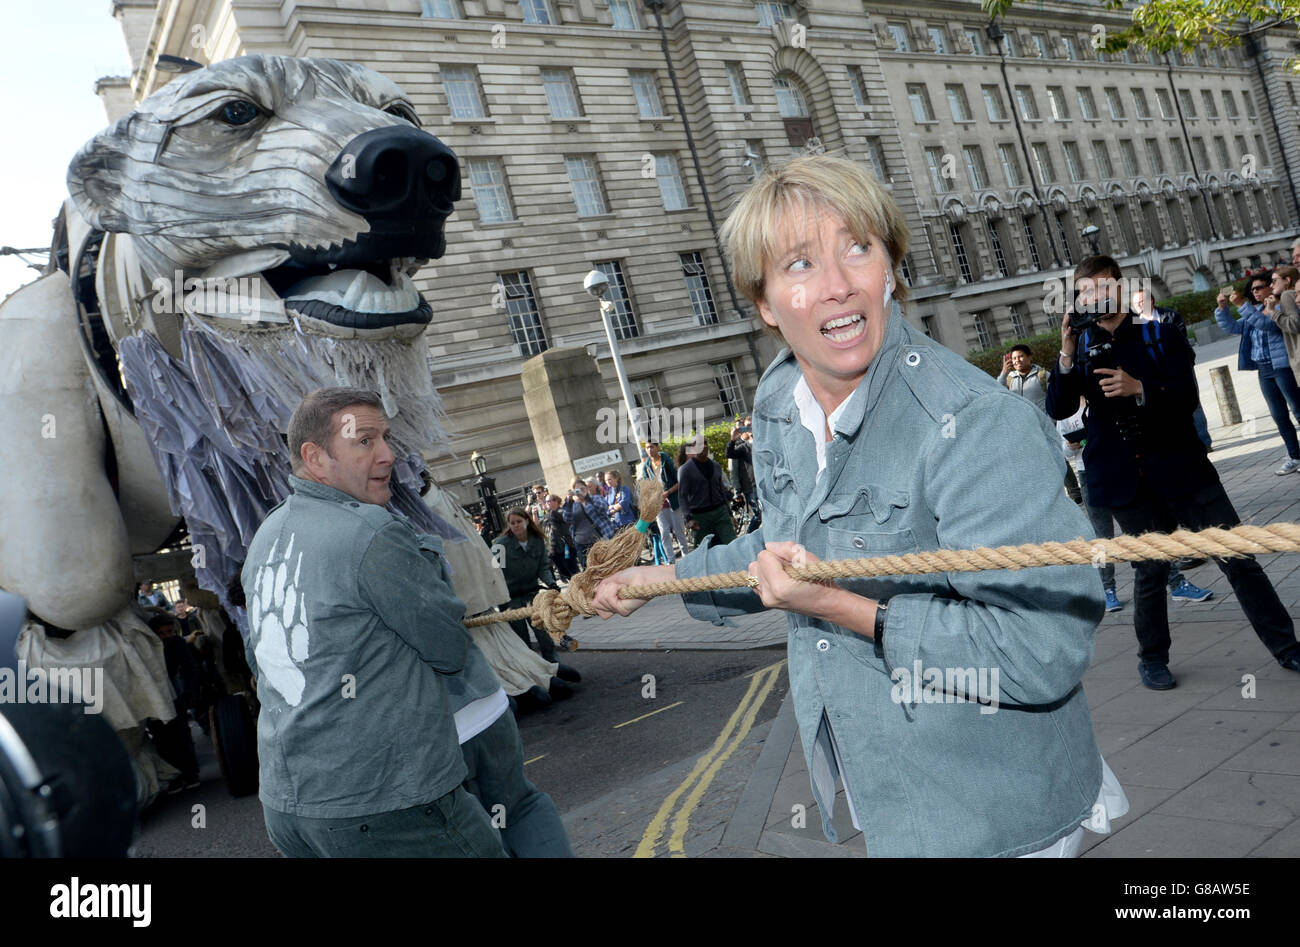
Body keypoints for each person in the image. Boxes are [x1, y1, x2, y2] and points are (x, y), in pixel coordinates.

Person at [593, 155, 1126, 857]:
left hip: (993, 810)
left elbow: (1041, 650)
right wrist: (659, 579)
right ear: (763, 302)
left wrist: (844, 606)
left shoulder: (975, 422)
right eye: (800, 264)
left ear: (891, 266)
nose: (840, 286)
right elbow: (783, 550)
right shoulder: (780, 401)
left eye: (857, 248)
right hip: (886, 790)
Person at [243, 387, 508, 857]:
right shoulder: (373, 532)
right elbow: (449, 649)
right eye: (365, 441)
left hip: (289, 806)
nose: (388, 454)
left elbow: (258, 659)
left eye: (385, 438)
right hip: (385, 804)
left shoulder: (266, 535)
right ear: (315, 457)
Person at [1048, 256, 1300, 689]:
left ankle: (1287, 647)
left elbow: (1186, 396)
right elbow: (1059, 408)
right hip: (1126, 480)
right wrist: (1067, 353)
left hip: (1183, 469)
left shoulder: (1158, 331)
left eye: (1103, 287)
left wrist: (1140, 389)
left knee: (1237, 558)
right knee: (1150, 571)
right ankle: (1152, 658)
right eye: (1085, 290)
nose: (1095, 297)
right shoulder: (1082, 345)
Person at [1214, 273, 1300, 476]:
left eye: (1260, 287)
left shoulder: (1277, 308)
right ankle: (1295, 455)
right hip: (1263, 369)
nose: (1256, 292)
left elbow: (1267, 325)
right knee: (1279, 415)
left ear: (1270, 288)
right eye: (1253, 289)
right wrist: (1222, 308)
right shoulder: (1255, 310)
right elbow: (1233, 327)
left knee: (1297, 410)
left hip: (1281, 366)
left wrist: (1242, 305)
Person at [1132, 288, 1212, 451]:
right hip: (1154, 372)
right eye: (1136, 303)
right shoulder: (1135, 323)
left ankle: (1204, 441)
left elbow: (1180, 342)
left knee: (1193, 402)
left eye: (1142, 301)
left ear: (1151, 301)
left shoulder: (1170, 316)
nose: (1139, 305)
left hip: (1179, 366)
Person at [491, 509, 565, 670]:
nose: (516, 525)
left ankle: (554, 665)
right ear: (509, 525)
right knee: (521, 638)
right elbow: (494, 574)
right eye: (512, 523)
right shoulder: (500, 546)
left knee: (543, 632)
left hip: (531, 594)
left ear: (527, 521)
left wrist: (551, 583)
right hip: (510, 598)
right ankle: (531, 669)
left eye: (519, 521)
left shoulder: (537, 541)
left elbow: (543, 567)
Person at [677, 437, 736, 548]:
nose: (703, 446)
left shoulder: (716, 466)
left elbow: (721, 491)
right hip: (700, 517)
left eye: (705, 443)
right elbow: (682, 496)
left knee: (731, 544)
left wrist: (729, 514)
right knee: (706, 550)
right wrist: (688, 518)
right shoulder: (686, 470)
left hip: (720, 512)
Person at [638, 439, 687, 563]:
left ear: (657, 447)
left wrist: (668, 492)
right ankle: (670, 560)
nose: (649, 450)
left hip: (673, 501)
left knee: (679, 530)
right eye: (647, 448)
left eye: (651, 447)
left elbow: (679, 481)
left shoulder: (666, 460)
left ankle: (686, 556)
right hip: (658, 504)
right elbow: (646, 486)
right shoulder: (647, 466)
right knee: (664, 532)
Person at [726, 420, 761, 534]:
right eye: (745, 427)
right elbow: (733, 470)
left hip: (765, 483)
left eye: (750, 426)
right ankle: (749, 536)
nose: (746, 429)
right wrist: (737, 490)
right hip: (750, 487)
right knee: (758, 514)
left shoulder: (762, 441)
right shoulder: (741, 447)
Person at [997, 344, 1049, 414]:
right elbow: (998, 392)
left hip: (1042, 423)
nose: (1017, 360)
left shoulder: (1043, 375)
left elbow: (1057, 398)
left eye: (1021, 356)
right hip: (1021, 423)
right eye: (1014, 358)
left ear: (1029, 357)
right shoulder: (1010, 378)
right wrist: (1004, 372)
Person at [542, 493, 576, 581]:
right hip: (554, 548)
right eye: (546, 502)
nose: (547, 503)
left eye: (549, 501)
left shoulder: (561, 512)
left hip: (565, 547)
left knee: (573, 570)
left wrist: (552, 512)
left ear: (556, 501)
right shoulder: (548, 514)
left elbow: (564, 518)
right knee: (564, 572)